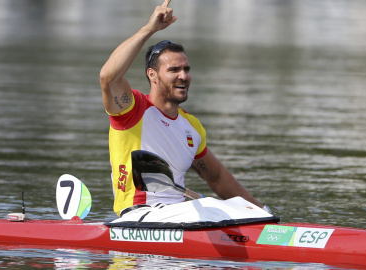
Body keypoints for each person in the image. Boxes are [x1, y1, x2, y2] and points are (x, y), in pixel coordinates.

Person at [100, 0, 264, 216]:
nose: (184, 76)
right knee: (212, 208)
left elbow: (217, 178)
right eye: (174, 69)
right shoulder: (132, 110)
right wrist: (149, 29)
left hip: (180, 215)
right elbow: (108, 78)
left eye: (186, 69)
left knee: (230, 208)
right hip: (138, 215)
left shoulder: (192, 127)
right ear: (152, 75)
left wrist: (263, 214)